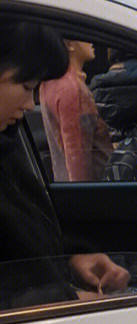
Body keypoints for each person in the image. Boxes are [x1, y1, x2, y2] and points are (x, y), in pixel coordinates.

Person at [0, 20, 130, 309]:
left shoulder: (7, 150)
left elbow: (23, 254)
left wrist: (70, 258)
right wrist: (65, 299)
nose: (29, 105)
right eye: (25, 86)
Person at [38, 39, 114, 182]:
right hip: (94, 193)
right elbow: (76, 156)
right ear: (70, 44)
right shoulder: (71, 87)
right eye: (82, 37)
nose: (91, 41)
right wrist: (81, 196)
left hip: (68, 183)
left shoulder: (52, 82)